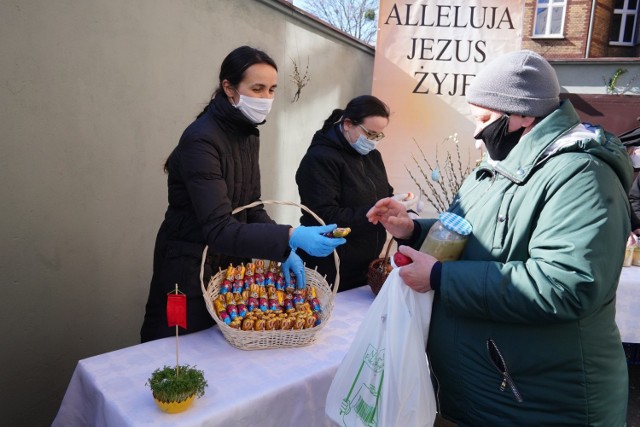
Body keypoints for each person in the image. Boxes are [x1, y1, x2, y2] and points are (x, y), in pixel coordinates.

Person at [367, 50, 630, 425]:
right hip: (489, 390)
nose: (478, 135)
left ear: (523, 115)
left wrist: (440, 277)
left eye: (486, 119)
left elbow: (566, 284)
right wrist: (413, 229)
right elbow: (473, 234)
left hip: (539, 400)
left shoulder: (582, 175)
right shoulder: (498, 165)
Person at [140, 46, 345, 343]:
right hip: (184, 271)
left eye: (272, 89)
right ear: (229, 88)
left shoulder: (246, 134)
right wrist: (289, 235)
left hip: (226, 268)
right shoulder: (202, 140)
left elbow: (252, 208)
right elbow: (218, 227)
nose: (266, 98)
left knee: (221, 353)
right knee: (175, 346)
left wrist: (285, 249)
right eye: (257, 88)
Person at [295, 95, 394, 292]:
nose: (373, 142)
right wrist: (373, 213)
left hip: (365, 266)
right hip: (330, 267)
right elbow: (324, 217)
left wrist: (396, 203)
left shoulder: (372, 156)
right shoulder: (320, 159)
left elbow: (384, 192)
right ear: (348, 124)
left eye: (378, 136)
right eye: (370, 134)